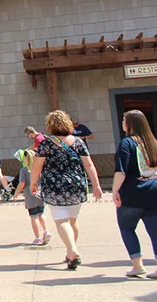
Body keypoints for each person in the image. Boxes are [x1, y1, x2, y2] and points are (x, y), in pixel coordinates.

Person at [31, 110, 103, 270]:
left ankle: (72, 250)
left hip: (54, 186)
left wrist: (33, 183)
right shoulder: (78, 142)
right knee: (72, 220)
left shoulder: (46, 144)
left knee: (61, 220)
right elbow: (89, 165)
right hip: (76, 184)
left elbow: (37, 166)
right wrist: (96, 185)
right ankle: (70, 253)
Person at [114, 110, 157, 279]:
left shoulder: (126, 143)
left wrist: (115, 191)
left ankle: (138, 266)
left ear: (130, 124)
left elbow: (121, 171)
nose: (122, 122)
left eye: (124, 119)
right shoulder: (153, 142)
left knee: (127, 227)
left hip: (133, 194)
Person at [12, 149, 50, 245]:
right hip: (40, 194)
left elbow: (22, 183)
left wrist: (16, 193)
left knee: (34, 217)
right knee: (41, 214)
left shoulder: (24, 170)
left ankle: (38, 238)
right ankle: (46, 231)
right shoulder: (40, 168)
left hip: (30, 196)